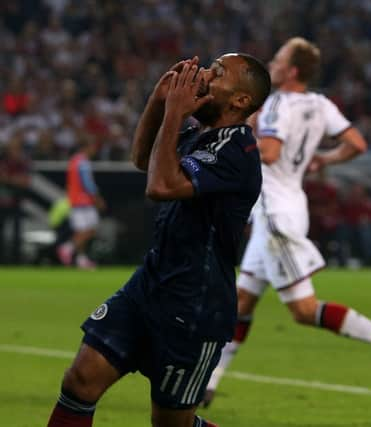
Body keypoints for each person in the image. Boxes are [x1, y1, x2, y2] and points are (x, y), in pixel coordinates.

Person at [46, 53, 270, 427]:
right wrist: (159, 99)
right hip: (148, 285)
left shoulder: (238, 151)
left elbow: (161, 185)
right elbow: (142, 158)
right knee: (80, 380)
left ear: (240, 100)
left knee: (170, 423)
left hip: (194, 305)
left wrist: (174, 113)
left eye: (216, 73)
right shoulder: (197, 134)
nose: (202, 75)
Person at [203, 37, 371, 407]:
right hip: (291, 205)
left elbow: (269, 152)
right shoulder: (319, 104)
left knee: (302, 311)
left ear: (293, 70)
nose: (274, 61)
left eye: (280, 59)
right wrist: (323, 160)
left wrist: (239, 135)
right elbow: (357, 144)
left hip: (275, 218)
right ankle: (208, 384)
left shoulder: (276, 103)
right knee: (241, 302)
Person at [57, 138, 106, 269]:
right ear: (86, 147)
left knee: (80, 232)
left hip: (75, 201)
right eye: (92, 147)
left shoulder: (73, 161)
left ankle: (81, 259)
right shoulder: (83, 162)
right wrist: (97, 198)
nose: (94, 150)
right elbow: (88, 183)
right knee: (91, 229)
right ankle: (67, 247)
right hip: (84, 201)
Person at [0, 135, 31, 263]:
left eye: (17, 149)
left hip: (16, 202)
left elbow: (25, 182)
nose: (15, 152)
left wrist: (9, 179)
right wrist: (14, 180)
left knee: (17, 233)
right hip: (1, 203)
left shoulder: (22, 163)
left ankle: (15, 261)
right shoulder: (3, 161)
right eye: (13, 149)